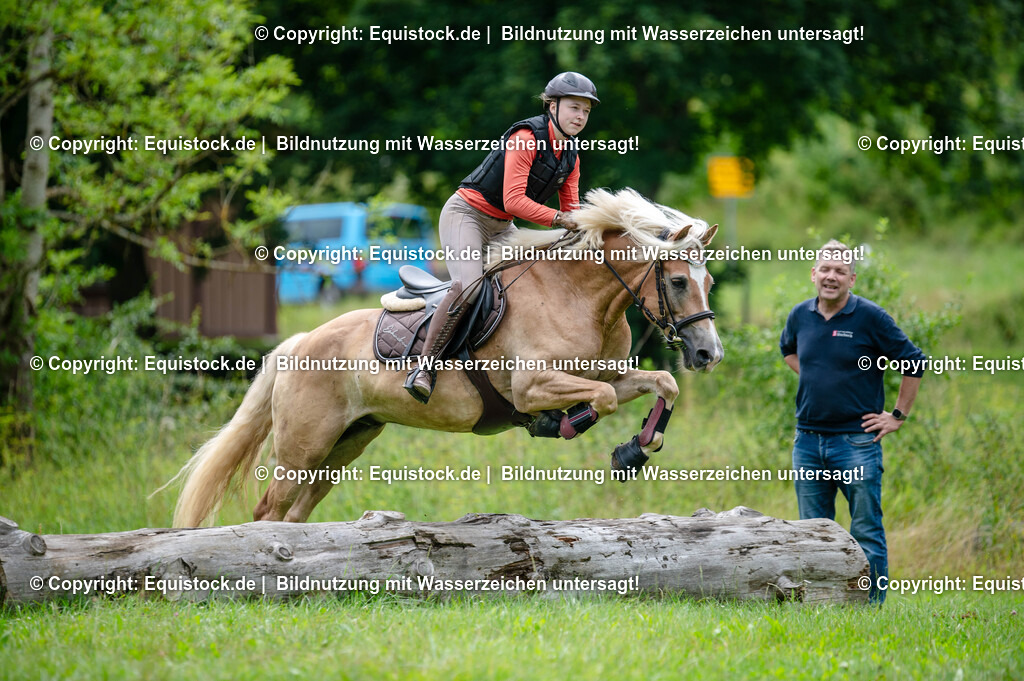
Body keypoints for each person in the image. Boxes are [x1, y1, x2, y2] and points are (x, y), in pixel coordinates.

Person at [404, 71, 600, 403]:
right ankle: (424, 366)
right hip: (467, 215)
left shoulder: (572, 155)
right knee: (469, 285)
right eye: (573, 108)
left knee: (534, 281)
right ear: (552, 106)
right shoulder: (525, 138)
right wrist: (559, 219)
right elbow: (514, 201)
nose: (580, 117)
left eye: (585, 111)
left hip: (502, 226)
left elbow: (573, 210)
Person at [779, 239, 925, 604]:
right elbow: (789, 352)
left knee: (866, 532)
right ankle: (820, 604)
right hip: (808, 443)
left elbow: (914, 362)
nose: (831, 277)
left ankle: (871, 607)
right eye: (825, 270)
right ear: (813, 274)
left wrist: (897, 416)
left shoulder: (870, 317)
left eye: (840, 271)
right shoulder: (799, 315)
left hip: (857, 443)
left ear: (852, 279)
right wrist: (817, 376)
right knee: (813, 533)